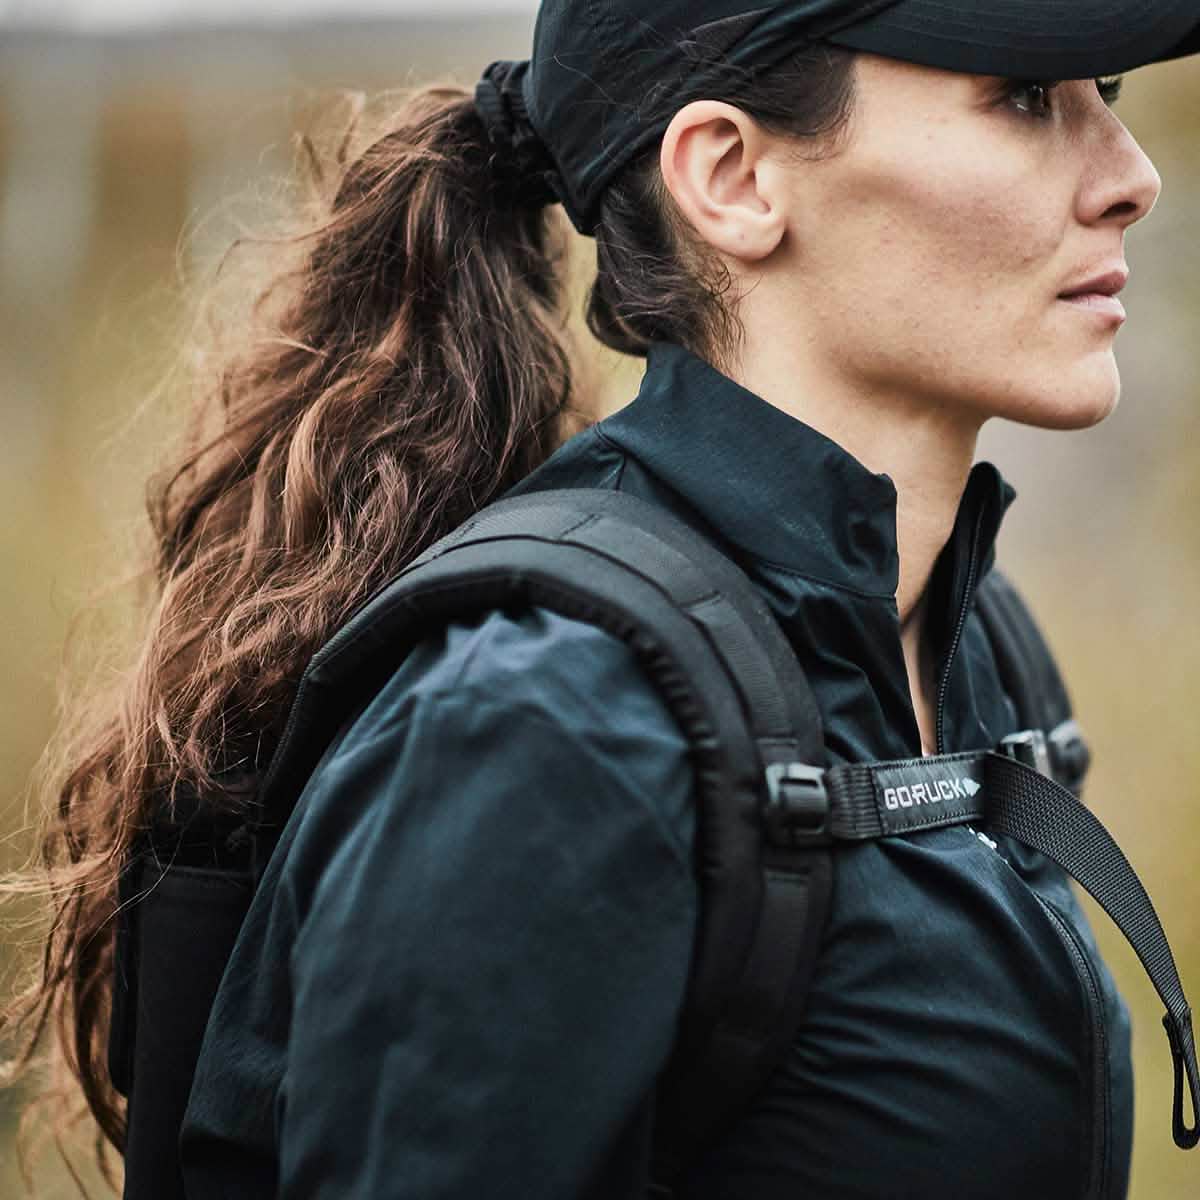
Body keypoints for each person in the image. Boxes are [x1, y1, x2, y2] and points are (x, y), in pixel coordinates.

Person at [6, 2, 1200, 1198]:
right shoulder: (541, 726)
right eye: (1027, 98)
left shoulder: (967, 638)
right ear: (729, 177)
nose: (1129, 178)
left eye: (1109, 98)